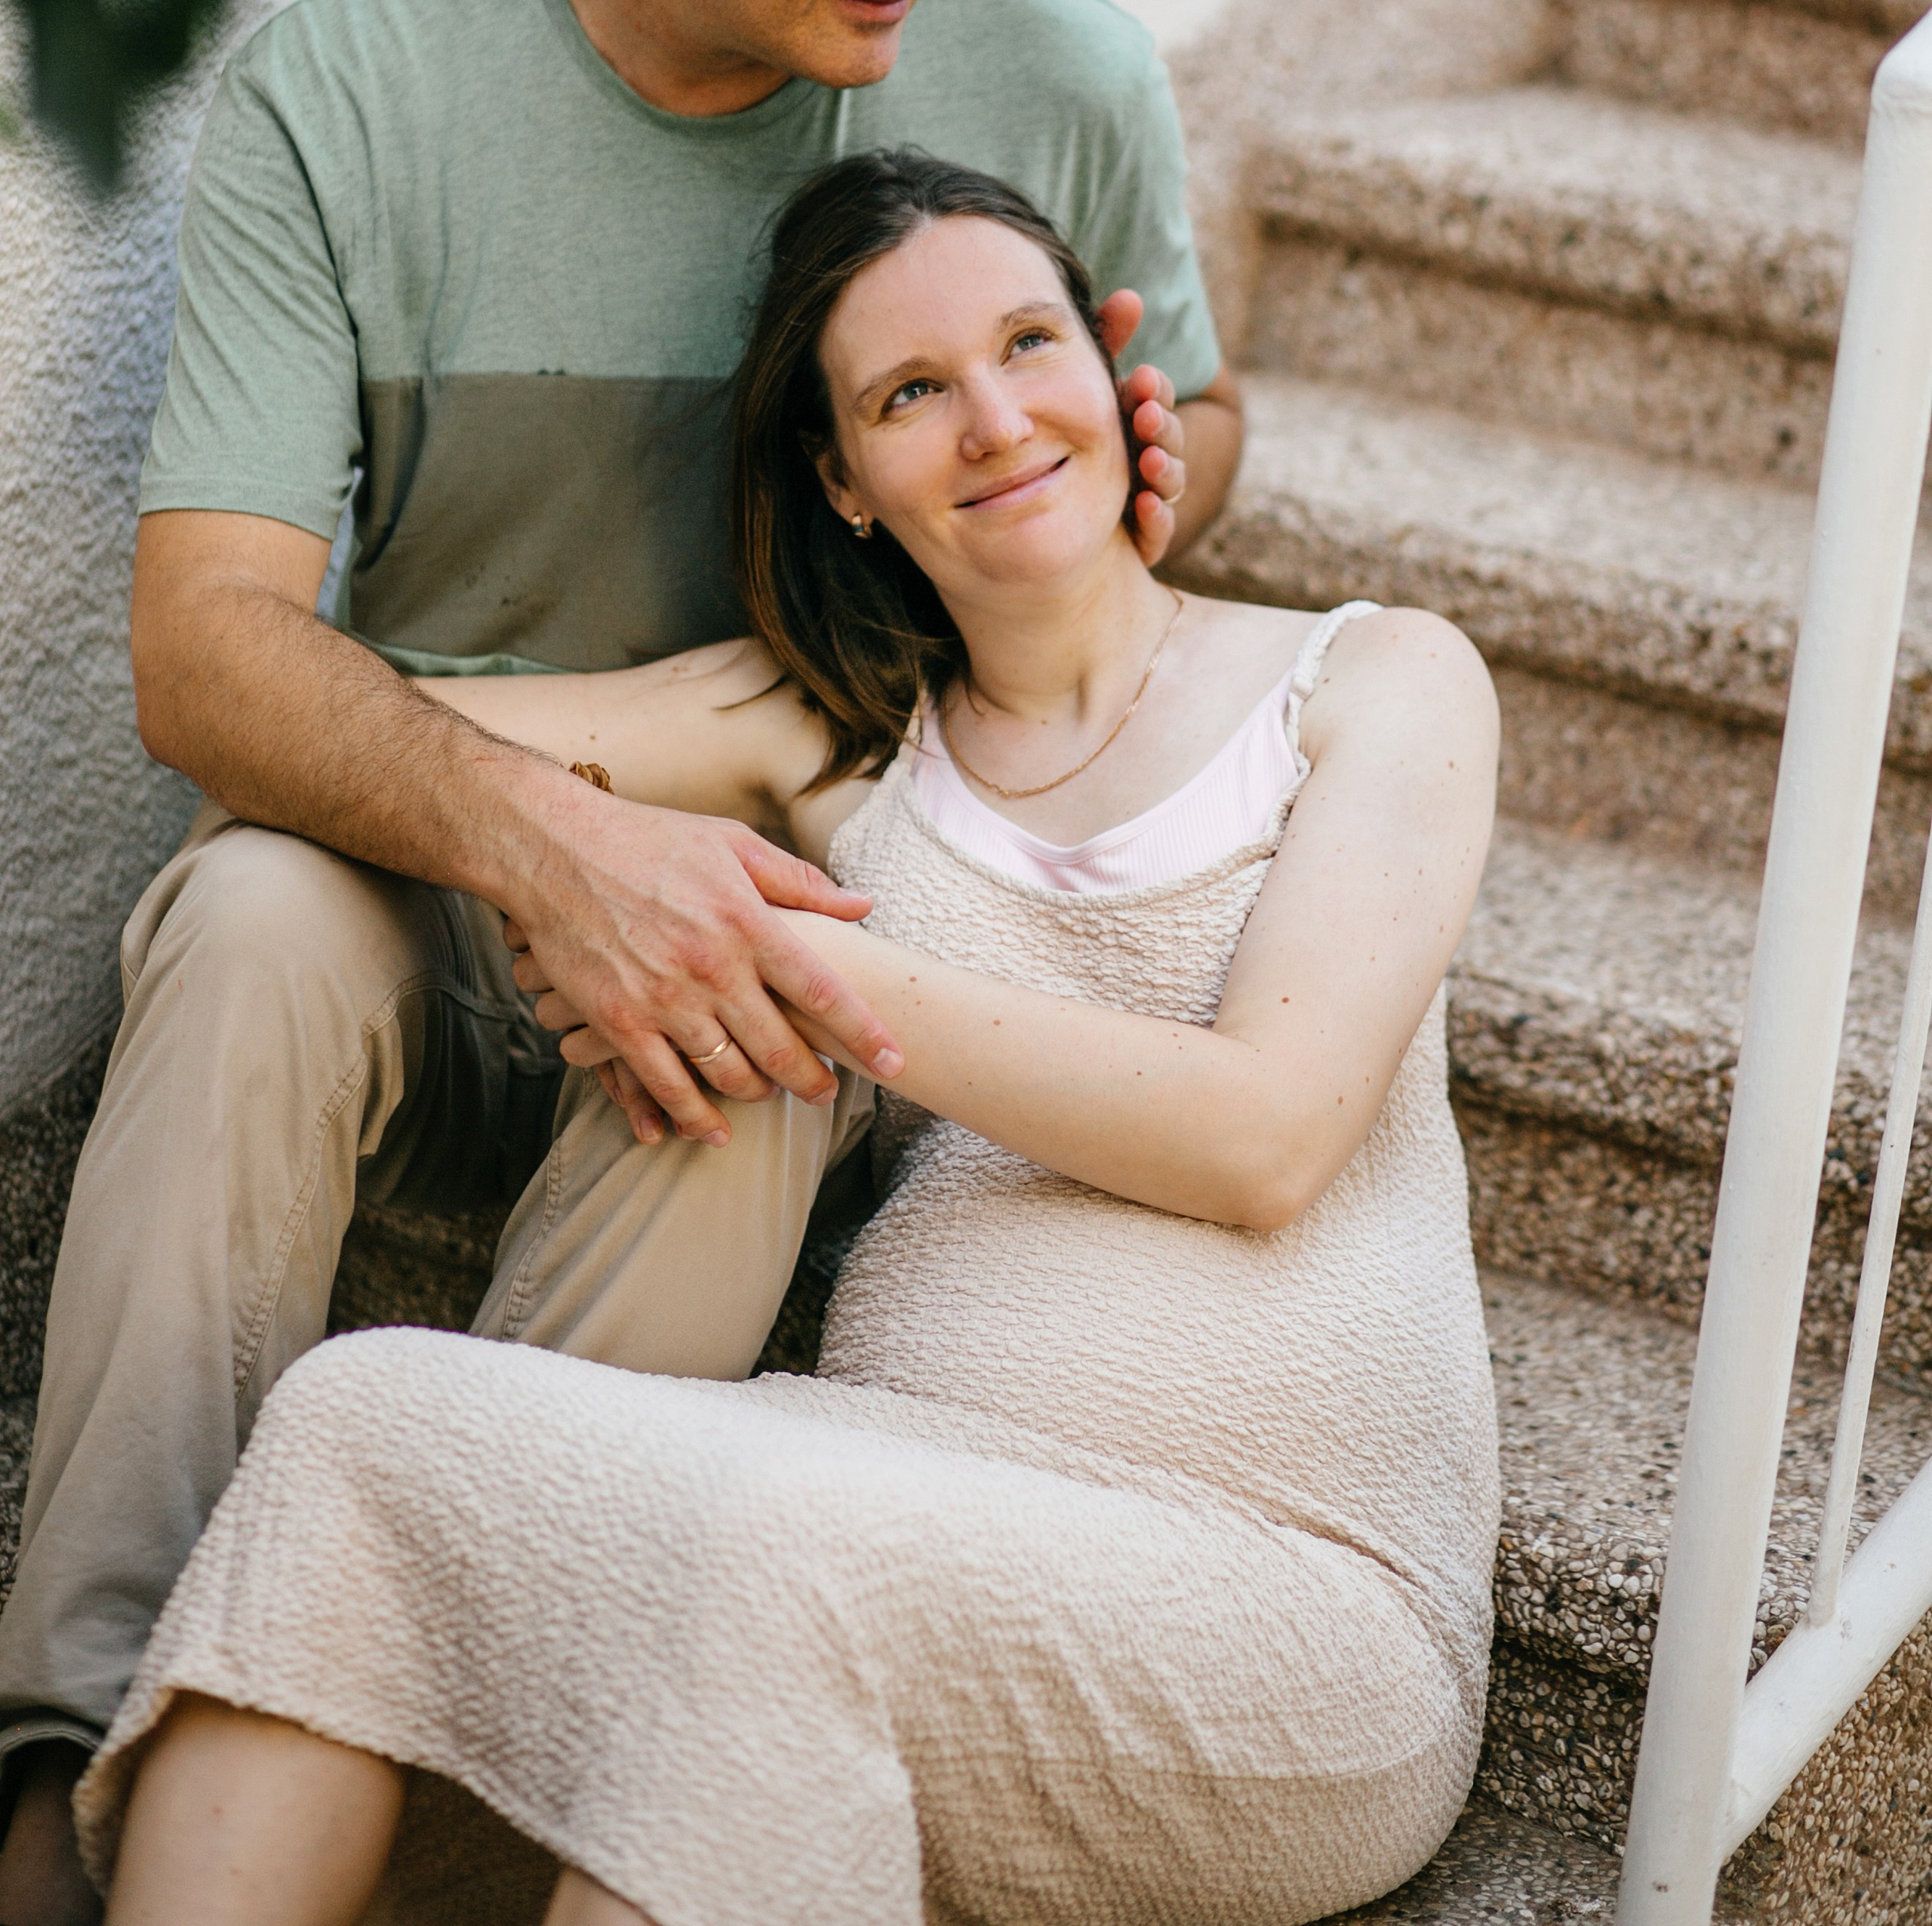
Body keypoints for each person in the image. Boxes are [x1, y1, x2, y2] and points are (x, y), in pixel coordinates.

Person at [0, 0, 1246, 1926]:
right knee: (249, 913)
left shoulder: (1057, 74)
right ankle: (77, 1779)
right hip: (435, 866)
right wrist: (552, 845)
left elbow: (1183, 400)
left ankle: (476, 1732)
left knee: (768, 986)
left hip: (788, 897)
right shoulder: (351, 95)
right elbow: (207, 656)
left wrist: (1156, 462)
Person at [77, 150, 1500, 1926]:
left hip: (1291, 1605)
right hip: (893, 1491)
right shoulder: (831, 743)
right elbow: (352, 737)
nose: (991, 420)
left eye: (1025, 346)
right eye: (912, 393)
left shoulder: (1372, 682)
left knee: (763, 1573)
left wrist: (758, 949)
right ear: (840, 480)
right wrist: (577, 870)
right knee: (364, 1419)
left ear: (1114, 376)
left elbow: (1264, 1134)